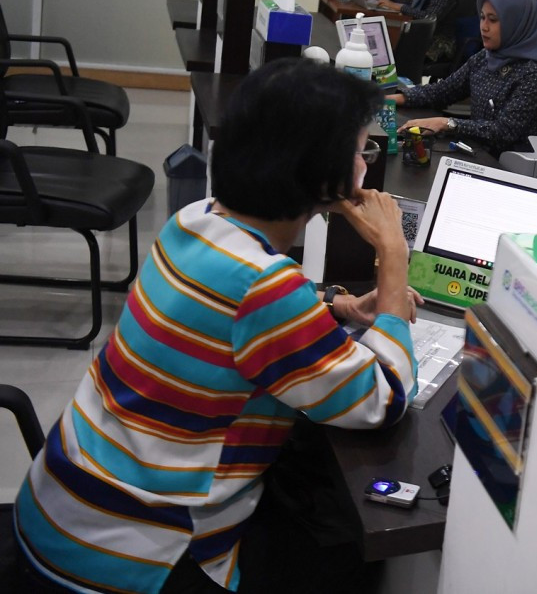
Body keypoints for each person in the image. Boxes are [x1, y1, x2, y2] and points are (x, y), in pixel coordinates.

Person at [13, 58, 422, 594]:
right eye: (360, 151)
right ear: (325, 173)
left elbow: (230, 319)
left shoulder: (198, 220)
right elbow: (384, 398)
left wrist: (336, 307)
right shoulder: (265, 287)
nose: (365, 165)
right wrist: (393, 255)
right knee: (344, 554)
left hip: (65, 504)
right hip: (127, 556)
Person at [391, 0, 537, 155]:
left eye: (493, 20)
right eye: (482, 17)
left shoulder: (534, 75)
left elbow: (502, 132)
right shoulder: (485, 57)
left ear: (517, 23)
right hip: (479, 151)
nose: (484, 27)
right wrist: (391, 99)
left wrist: (447, 123)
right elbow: (443, 91)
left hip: (511, 166)